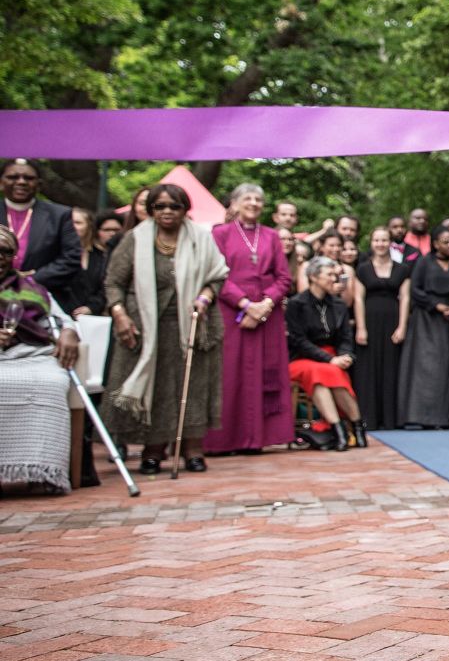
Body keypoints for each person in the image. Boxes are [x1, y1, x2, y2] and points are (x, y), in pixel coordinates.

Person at [103, 183, 227, 476]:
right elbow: (113, 282)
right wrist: (119, 314)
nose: (168, 212)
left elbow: (217, 275)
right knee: (157, 388)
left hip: (194, 324)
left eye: (175, 206)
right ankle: (153, 450)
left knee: (193, 386)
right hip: (147, 327)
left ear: (185, 210)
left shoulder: (201, 238)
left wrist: (205, 296)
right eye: (160, 206)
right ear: (151, 210)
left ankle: (193, 450)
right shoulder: (134, 239)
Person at [205, 183, 294, 457]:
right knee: (229, 375)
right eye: (247, 198)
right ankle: (224, 440)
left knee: (262, 375)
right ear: (234, 203)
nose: (254, 203)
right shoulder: (219, 234)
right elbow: (216, 274)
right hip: (231, 312)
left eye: (258, 199)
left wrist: (264, 305)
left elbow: (284, 277)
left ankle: (256, 439)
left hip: (267, 314)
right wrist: (246, 306)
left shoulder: (271, 236)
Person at [0, 225, 81, 496]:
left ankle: (41, 469)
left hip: (30, 354)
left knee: (50, 382)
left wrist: (69, 331)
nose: (0, 257)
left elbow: (63, 319)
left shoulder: (32, 287)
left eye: (5, 252)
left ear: (14, 256)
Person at [285, 256, 366, 451]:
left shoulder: (338, 305)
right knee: (322, 372)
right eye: (329, 274)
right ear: (313, 277)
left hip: (333, 358)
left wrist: (346, 356)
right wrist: (331, 360)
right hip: (302, 358)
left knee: (327, 373)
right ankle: (343, 429)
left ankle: (353, 429)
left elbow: (346, 337)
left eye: (335, 274)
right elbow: (299, 341)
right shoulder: (296, 304)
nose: (334, 279)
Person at [398, 228, 449, 430]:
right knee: (427, 367)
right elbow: (415, 289)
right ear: (435, 243)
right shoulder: (423, 262)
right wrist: (435, 306)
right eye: (446, 241)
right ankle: (423, 416)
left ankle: (448, 417)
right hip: (427, 318)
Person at [353, 226, 411, 430]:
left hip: (393, 321)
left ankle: (391, 419)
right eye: (376, 240)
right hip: (369, 321)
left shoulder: (402, 269)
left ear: (390, 243)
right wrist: (360, 327)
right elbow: (358, 299)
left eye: (384, 240)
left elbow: (405, 298)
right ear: (371, 243)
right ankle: (369, 417)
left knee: (391, 368)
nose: (380, 244)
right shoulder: (362, 268)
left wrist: (402, 326)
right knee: (368, 369)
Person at [3, 159, 80, 304]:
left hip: (42, 295)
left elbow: (71, 258)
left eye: (29, 178)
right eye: (13, 177)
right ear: (1, 183)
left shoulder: (59, 215)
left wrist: (31, 279)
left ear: (39, 185)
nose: (21, 182)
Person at [63, 207, 108, 318]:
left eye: (78, 223)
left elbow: (106, 287)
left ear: (89, 226)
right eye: (69, 222)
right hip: (62, 315)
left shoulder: (101, 256)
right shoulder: (55, 254)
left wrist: (91, 307)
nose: (72, 226)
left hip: (92, 319)